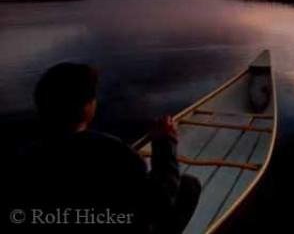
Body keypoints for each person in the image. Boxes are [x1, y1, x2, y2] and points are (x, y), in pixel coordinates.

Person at [13, 63, 200, 233]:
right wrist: (165, 143)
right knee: (189, 185)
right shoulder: (114, 153)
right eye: (93, 97)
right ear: (87, 106)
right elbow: (159, 202)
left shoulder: (25, 157)